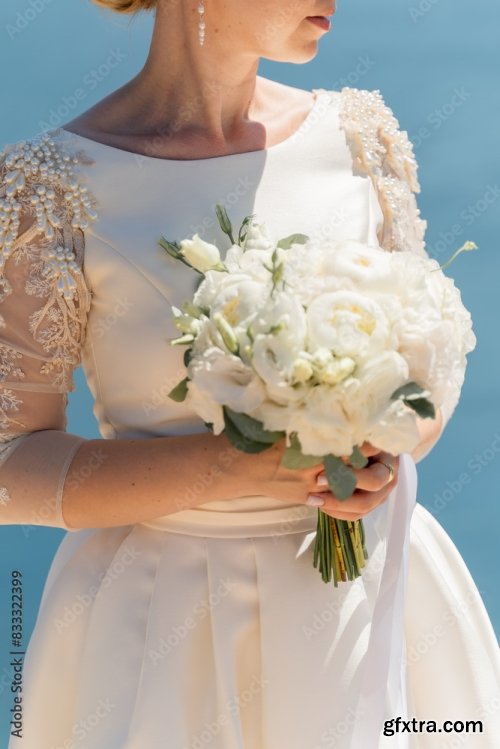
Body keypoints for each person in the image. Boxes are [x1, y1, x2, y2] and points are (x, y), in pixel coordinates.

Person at [0, 1, 498, 746]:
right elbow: (12, 465)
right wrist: (224, 470)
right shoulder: (52, 187)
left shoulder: (362, 139)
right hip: (162, 628)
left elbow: (426, 363)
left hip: (372, 607)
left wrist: (385, 451)